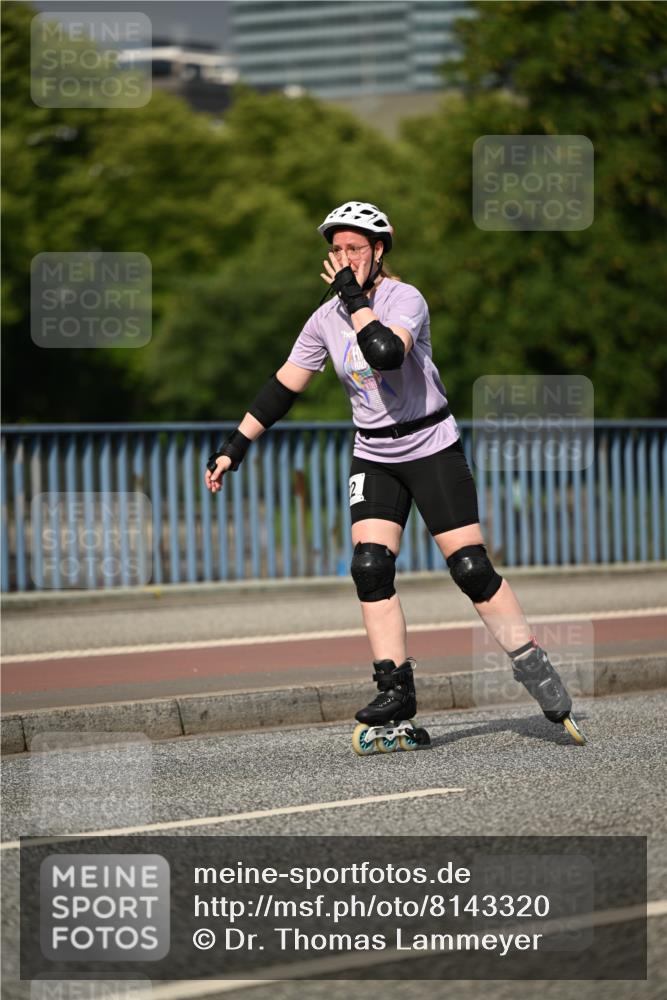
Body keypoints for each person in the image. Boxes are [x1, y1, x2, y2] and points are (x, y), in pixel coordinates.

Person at [205, 200, 585, 751]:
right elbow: (283, 386)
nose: (343, 259)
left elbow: (384, 352)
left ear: (379, 251)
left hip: (432, 447)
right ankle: (395, 694)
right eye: (336, 250)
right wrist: (234, 448)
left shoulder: (405, 299)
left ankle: (535, 668)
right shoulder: (324, 320)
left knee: (470, 568)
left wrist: (355, 299)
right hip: (375, 454)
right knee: (370, 566)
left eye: (354, 249)